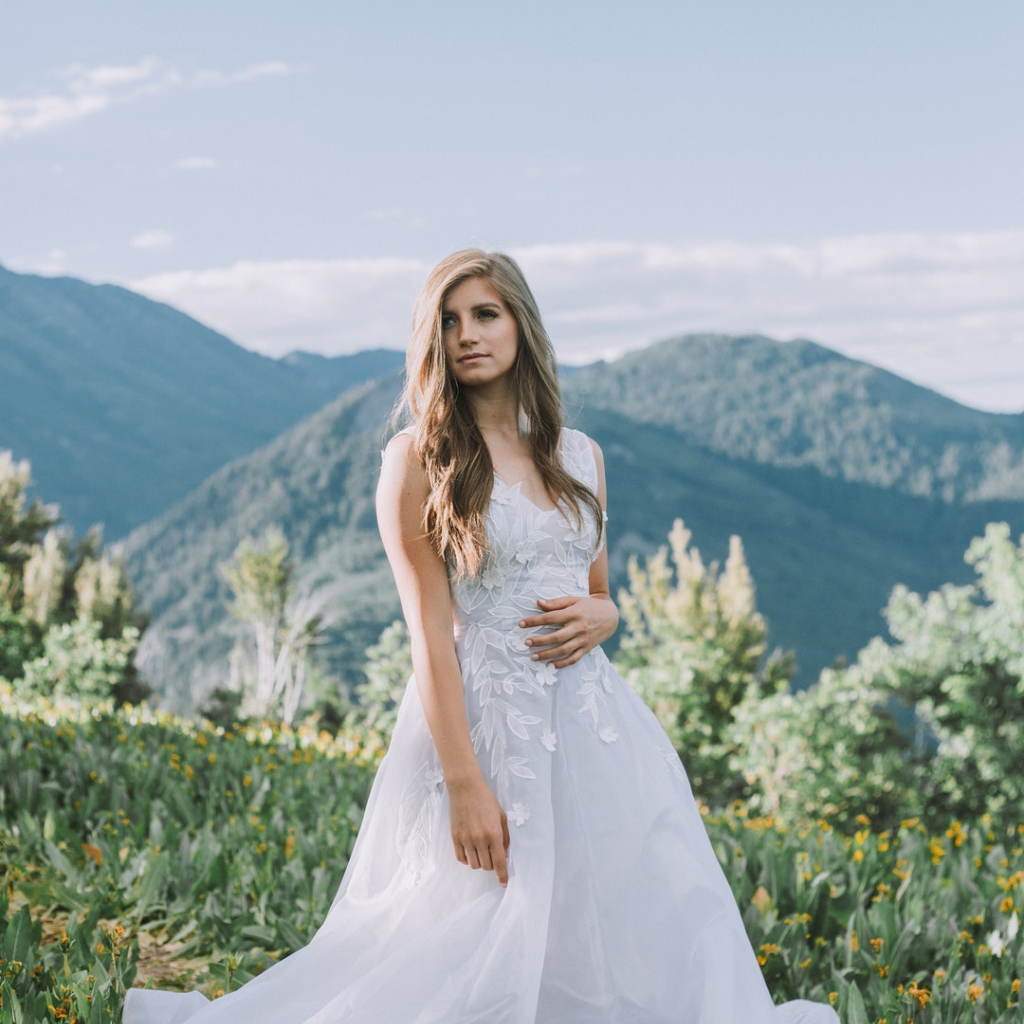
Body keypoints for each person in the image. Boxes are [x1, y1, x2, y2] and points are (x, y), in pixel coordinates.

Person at [124, 250, 839, 1023]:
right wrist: (465, 784)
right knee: (477, 926)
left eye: (486, 314)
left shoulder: (580, 454)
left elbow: (595, 594)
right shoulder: (417, 461)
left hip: (599, 731)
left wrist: (613, 615)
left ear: (521, 324)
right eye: (450, 320)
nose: (468, 334)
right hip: (490, 728)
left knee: (645, 907)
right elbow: (430, 637)